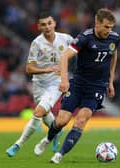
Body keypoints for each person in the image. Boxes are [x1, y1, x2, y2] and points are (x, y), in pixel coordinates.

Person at [34, 8, 120, 164]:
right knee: (61, 121)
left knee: (81, 120)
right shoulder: (84, 38)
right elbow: (64, 56)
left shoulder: (114, 38)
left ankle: (59, 155)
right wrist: (64, 80)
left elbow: (113, 56)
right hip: (79, 83)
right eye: (106, 27)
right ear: (97, 23)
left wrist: (111, 81)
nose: (110, 30)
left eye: (111, 27)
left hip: (97, 87)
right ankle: (48, 139)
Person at [6, 11, 73, 157]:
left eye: (49, 23)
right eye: (43, 24)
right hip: (38, 84)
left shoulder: (66, 39)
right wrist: (47, 69)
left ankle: (18, 144)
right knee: (44, 114)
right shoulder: (37, 43)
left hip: (55, 82)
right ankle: (57, 132)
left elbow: (80, 49)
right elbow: (29, 69)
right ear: (39, 27)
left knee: (38, 112)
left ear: (54, 23)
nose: (47, 27)